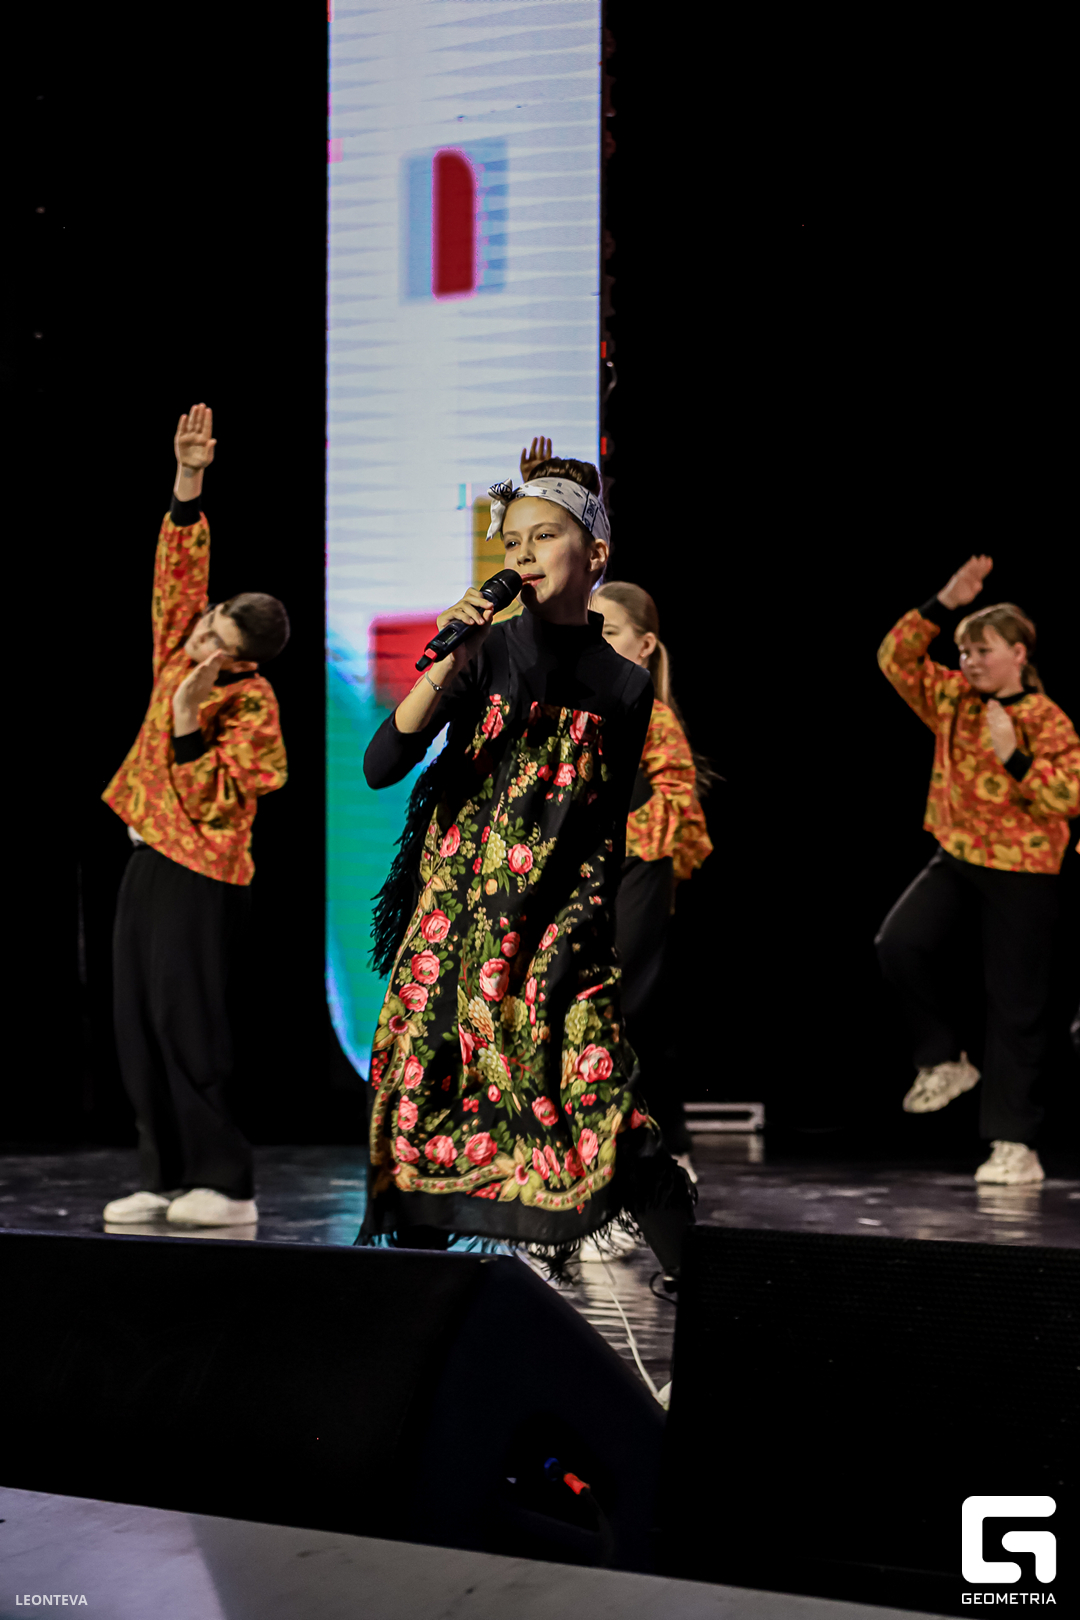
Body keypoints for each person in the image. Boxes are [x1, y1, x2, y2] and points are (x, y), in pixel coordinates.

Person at [357, 450, 695, 1275]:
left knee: (605, 1101)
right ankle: (417, 1314)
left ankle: (715, 1293)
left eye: (544, 536)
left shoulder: (625, 687)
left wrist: (587, 930)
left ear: (596, 553)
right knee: (429, 1112)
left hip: (555, 933)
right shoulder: (486, 653)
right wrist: (444, 670)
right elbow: (381, 765)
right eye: (512, 542)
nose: (524, 554)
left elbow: (603, 829)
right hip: (456, 931)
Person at [101, 404, 290, 1227]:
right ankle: (163, 1172)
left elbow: (225, 799)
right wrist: (188, 479)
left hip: (203, 873)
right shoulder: (181, 649)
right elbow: (177, 573)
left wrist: (184, 725)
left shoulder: (250, 702)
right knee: (136, 1019)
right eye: (208, 622)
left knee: (187, 1023)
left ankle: (227, 1183)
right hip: (149, 855)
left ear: (241, 658)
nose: (201, 637)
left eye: (217, 639)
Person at [875, 554, 1079, 1185]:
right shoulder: (954, 699)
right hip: (959, 854)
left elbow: (1070, 796)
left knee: (1015, 1005)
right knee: (900, 943)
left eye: (982, 651)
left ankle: (1015, 1145)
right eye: (964, 651)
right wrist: (944, 603)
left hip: (1025, 870)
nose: (969, 661)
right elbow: (894, 658)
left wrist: (1015, 758)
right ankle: (943, 1060)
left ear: (1018, 653)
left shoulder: (1046, 719)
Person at [591, 580, 714, 1187]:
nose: (595, 641)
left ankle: (640, 1153)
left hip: (638, 870)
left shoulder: (650, 714)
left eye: (609, 631)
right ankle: (660, 1145)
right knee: (627, 1016)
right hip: (590, 875)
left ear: (644, 646)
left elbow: (674, 802)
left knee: (624, 1008)